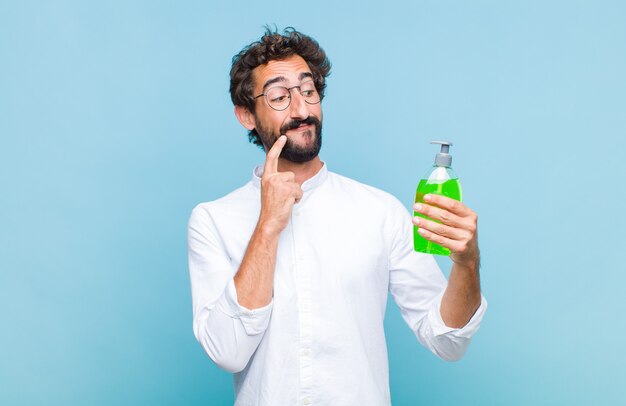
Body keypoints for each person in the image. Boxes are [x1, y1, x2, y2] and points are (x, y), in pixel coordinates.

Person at [188, 27, 487, 406]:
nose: (301, 110)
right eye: (280, 96)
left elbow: (447, 340)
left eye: (308, 91)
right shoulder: (213, 221)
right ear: (246, 115)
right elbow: (227, 351)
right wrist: (267, 225)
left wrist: (467, 262)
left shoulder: (379, 212)